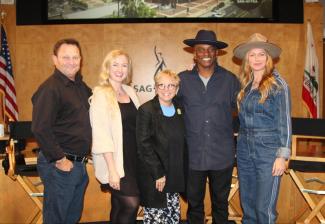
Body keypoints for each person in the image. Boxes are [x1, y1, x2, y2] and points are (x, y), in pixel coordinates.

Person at [177, 30, 240, 224]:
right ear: (194, 54)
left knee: (220, 205)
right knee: (194, 206)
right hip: (193, 155)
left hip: (222, 154)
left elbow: (242, 111)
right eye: (201, 50)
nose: (206, 53)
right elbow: (168, 109)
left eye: (210, 50)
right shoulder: (182, 80)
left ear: (216, 53)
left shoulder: (230, 80)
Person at [31, 38, 92, 224]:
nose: (71, 61)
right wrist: (59, 159)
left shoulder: (81, 87)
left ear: (81, 60)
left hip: (78, 164)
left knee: (71, 218)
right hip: (61, 164)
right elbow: (40, 127)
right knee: (56, 219)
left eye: (75, 57)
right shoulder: (50, 88)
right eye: (66, 57)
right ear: (55, 59)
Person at [233, 33, 291, 223]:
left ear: (268, 58)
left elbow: (285, 122)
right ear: (247, 60)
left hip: (268, 152)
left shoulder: (278, 84)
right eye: (252, 54)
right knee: (248, 205)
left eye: (261, 54)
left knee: (263, 208)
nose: (256, 59)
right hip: (244, 149)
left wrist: (282, 156)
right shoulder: (246, 85)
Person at [89, 49, 140, 223]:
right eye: (115, 64)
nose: (120, 69)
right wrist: (112, 170)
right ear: (107, 68)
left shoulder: (130, 91)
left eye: (124, 65)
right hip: (115, 160)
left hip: (134, 159)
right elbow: (101, 134)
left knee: (119, 205)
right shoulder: (101, 94)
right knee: (131, 204)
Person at [136, 70, 186, 224]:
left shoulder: (180, 108)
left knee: (172, 217)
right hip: (156, 176)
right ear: (156, 88)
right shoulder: (146, 110)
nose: (166, 89)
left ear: (177, 89)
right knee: (156, 218)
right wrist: (158, 173)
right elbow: (144, 145)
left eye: (171, 85)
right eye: (162, 85)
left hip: (174, 174)